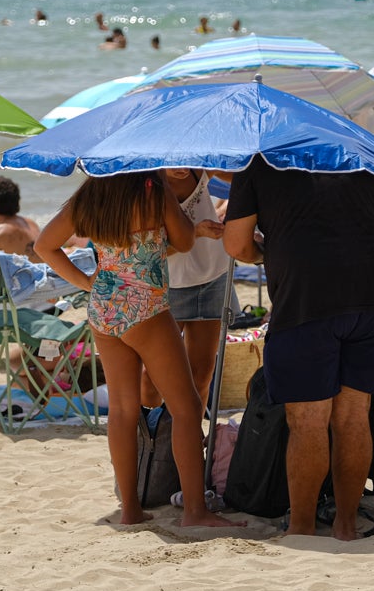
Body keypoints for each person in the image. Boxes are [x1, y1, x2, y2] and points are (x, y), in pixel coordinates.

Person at [35, 173, 237, 529]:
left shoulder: (91, 192)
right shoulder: (152, 190)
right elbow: (184, 242)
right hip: (145, 306)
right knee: (187, 407)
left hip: (103, 308)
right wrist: (171, 204)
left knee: (122, 410)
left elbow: (44, 246)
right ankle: (194, 510)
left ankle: (130, 509)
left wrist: (86, 282)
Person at [223, 156, 374, 540]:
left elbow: (236, 244)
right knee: (354, 416)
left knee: (308, 420)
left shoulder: (258, 163)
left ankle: (302, 527)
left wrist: (267, 251)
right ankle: (346, 525)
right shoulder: (359, 156)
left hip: (307, 301)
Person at [141, 168, 233, 407]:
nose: (181, 166)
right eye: (175, 161)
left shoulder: (198, 170)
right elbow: (148, 252)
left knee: (201, 376)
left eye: (185, 157)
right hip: (169, 286)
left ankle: (190, 431)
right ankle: (151, 428)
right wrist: (197, 232)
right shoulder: (147, 186)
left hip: (214, 277)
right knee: (152, 379)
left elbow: (244, 175)